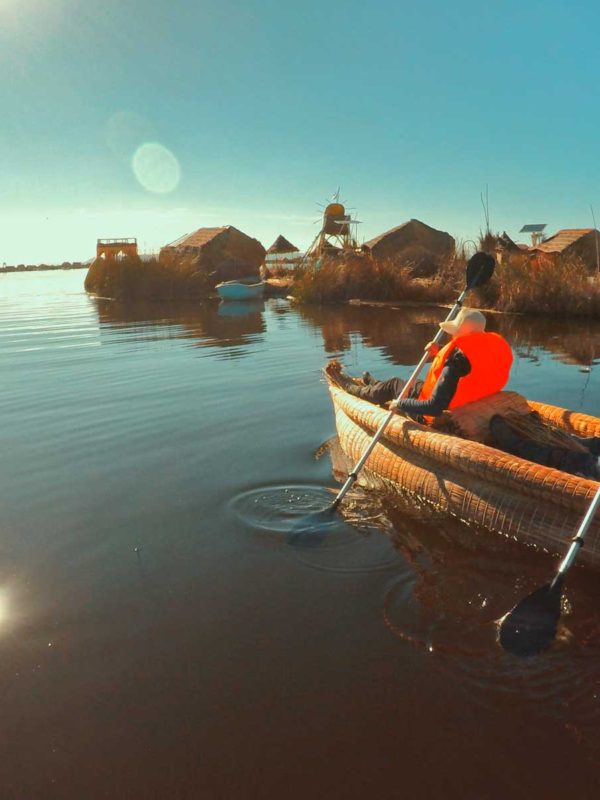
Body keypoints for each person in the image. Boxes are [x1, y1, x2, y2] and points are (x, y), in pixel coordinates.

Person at [347, 307, 513, 421]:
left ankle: (357, 390)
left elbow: (434, 407)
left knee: (394, 384)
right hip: (466, 399)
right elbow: (471, 368)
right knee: (410, 384)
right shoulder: (488, 350)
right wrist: (438, 352)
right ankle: (374, 384)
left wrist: (400, 404)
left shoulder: (456, 363)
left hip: (434, 414)